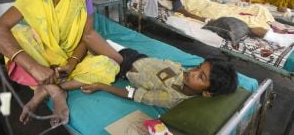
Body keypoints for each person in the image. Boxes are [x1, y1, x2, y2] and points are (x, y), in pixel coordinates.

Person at [0, 0, 122, 126]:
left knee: (109, 65)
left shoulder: (84, 1)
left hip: (69, 60)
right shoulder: (29, 0)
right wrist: (34, 68)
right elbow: (0, 29)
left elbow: (87, 37)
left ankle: (50, 88)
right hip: (39, 57)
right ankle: (55, 92)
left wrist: (71, 63)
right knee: (14, 35)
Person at [81, 48, 238, 109]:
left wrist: (103, 86)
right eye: (198, 67)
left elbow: (133, 94)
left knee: (90, 47)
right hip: (138, 55)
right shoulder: (185, 75)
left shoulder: (171, 97)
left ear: (207, 93)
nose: (192, 72)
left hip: (124, 67)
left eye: (201, 76)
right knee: (94, 45)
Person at [163, 0, 276, 30]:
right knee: (237, 18)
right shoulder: (177, 3)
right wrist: (203, 19)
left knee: (257, 7)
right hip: (208, 12)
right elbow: (187, 14)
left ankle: (269, 21)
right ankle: (264, 25)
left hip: (213, 5)